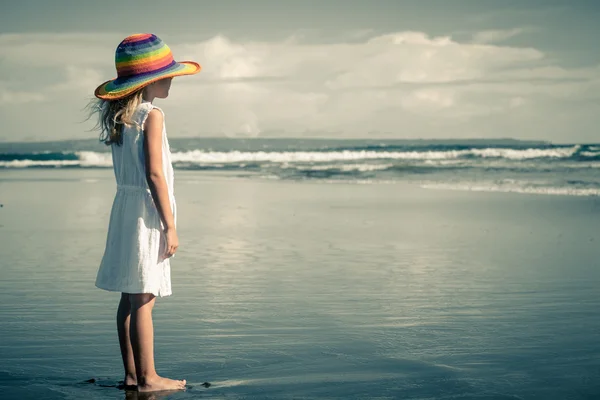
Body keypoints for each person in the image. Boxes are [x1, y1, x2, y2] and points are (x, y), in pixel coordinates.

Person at [89, 33, 201, 393]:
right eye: (168, 75)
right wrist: (170, 226)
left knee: (129, 294)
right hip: (145, 213)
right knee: (144, 297)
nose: (172, 81)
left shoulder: (123, 117)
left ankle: (132, 376)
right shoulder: (152, 115)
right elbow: (155, 174)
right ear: (151, 80)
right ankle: (150, 377)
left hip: (124, 209)